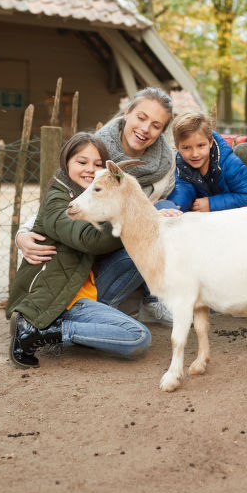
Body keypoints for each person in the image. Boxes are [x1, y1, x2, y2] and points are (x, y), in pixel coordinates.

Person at [15, 87, 178, 326]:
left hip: (127, 249)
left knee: (167, 207)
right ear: (127, 114)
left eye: (156, 125)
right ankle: (97, 311)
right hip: (97, 250)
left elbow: (160, 204)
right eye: (141, 118)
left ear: (162, 131)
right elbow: (61, 201)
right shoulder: (94, 154)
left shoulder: (166, 163)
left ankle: (152, 300)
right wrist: (23, 233)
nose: (145, 129)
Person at [7, 132, 151, 368]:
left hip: (85, 287)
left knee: (140, 251)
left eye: (97, 165)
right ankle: (39, 331)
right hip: (60, 299)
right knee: (138, 337)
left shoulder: (91, 197)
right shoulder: (57, 200)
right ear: (67, 162)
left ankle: (93, 329)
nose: (89, 170)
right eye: (81, 162)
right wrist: (129, 215)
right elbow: (89, 240)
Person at [164, 111, 247, 212]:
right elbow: (183, 188)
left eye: (201, 146)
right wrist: (175, 206)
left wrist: (211, 204)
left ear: (210, 142)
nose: (195, 154)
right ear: (178, 147)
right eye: (186, 148)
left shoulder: (229, 164)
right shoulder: (181, 165)